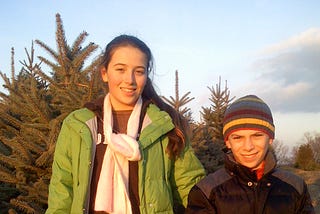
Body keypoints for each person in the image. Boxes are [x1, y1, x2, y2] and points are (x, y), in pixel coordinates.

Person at [46, 34, 205, 214]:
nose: (129, 79)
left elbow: (191, 187)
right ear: (104, 73)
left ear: (146, 75)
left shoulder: (164, 125)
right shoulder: (78, 125)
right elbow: (62, 189)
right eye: (120, 69)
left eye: (139, 71)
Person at [186, 95, 315, 214]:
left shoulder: (296, 186)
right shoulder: (206, 192)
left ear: (270, 138)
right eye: (238, 138)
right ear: (228, 142)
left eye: (257, 136)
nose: (248, 147)